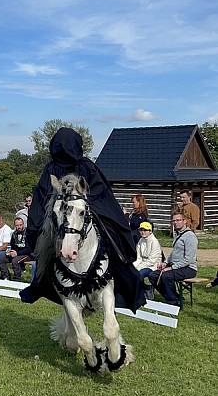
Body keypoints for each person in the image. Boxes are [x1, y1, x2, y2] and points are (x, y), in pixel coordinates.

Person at [22, 127, 146, 311]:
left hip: (86, 216)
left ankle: (121, 268)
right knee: (45, 253)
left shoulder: (85, 166)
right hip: (59, 219)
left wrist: (34, 229)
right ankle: (42, 283)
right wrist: (38, 228)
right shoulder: (55, 168)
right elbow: (42, 198)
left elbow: (100, 193)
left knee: (111, 237)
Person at [147, 212, 198, 306]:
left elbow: (189, 259)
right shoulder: (177, 234)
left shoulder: (190, 236)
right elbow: (173, 253)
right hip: (176, 266)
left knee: (166, 276)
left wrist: (172, 268)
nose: (175, 222)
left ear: (184, 221)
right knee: (153, 275)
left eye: (178, 220)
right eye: (173, 220)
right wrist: (165, 263)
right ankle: (173, 297)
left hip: (189, 268)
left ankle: (173, 303)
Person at [0, 216, 34, 281]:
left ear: (23, 224)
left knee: (15, 261)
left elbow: (30, 248)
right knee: (1, 260)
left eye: (20, 225)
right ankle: (6, 277)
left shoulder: (28, 233)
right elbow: (12, 245)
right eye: (17, 225)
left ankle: (17, 279)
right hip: (16, 254)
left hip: (28, 254)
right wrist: (10, 252)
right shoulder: (14, 234)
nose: (19, 227)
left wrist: (17, 253)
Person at [133, 221, 162, 299]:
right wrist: (133, 266)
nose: (142, 232)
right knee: (130, 271)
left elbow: (152, 261)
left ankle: (146, 290)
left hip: (153, 265)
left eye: (145, 230)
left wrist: (139, 267)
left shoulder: (154, 242)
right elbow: (139, 258)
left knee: (140, 274)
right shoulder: (141, 241)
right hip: (143, 263)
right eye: (141, 230)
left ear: (150, 231)